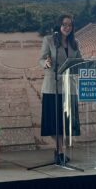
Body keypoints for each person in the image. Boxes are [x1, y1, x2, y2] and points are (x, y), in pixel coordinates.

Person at [39, 14, 81, 163]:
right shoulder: (49, 40)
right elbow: (42, 58)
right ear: (59, 26)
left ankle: (59, 151)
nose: (67, 27)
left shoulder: (75, 43)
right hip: (52, 87)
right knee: (53, 123)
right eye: (64, 24)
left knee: (65, 122)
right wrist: (46, 63)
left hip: (69, 88)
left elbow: (79, 63)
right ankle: (60, 151)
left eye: (70, 25)